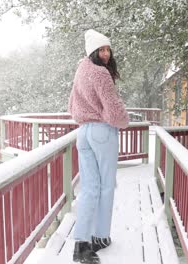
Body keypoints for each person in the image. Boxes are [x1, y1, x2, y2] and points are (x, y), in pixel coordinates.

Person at [68, 29, 129, 264]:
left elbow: (71, 104)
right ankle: (100, 237)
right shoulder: (101, 74)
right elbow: (114, 110)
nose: (105, 54)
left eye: (107, 49)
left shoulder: (81, 70)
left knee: (90, 188)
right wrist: (124, 120)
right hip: (102, 132)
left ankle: (81, 244)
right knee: (105, 187)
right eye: (100, 50)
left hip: (83, 133)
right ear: (92, 52)